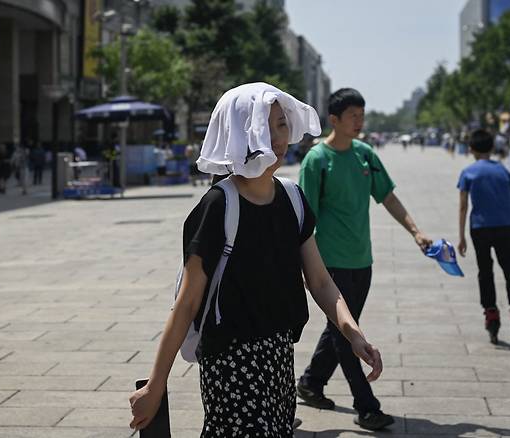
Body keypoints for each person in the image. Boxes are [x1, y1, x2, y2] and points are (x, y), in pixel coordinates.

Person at [128, 83, 384, 437]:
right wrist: (155, 386)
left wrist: (353, 333)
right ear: (241, 135)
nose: (277, 138)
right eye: (265, 127)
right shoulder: (219, 205)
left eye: (281, 125)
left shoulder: (293, 198)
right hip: (230, 361)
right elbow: (186, 304)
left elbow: (321, 281)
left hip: (279, 355)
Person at [297, 88, 432, 431]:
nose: (359, 122)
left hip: (362, 260)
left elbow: (386, 196)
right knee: (346, 333)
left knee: (342, 325)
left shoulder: (365, 155)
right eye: (353, 116)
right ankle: (366, 405)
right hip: (329, 264)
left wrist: (416, 231)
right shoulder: (316, 161)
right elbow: (302, 219)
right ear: (334, 120)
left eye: (361, 115)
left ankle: (311, 382)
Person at [457, 129, 510, 347]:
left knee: (485, 271)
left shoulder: (468, 172)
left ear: (471, 149)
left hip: (480, 229)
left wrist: (461, 237)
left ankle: (491, 315)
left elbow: (463, 207)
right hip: (506, 228)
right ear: (492, 148)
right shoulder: (503, 170)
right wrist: (507, 218)